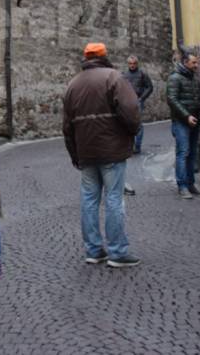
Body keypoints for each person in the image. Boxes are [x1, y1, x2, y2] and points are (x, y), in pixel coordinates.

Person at [62, 42, 141, 267]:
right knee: (114, 199)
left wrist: (74, 154)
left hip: (86, 152)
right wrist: (132, 132)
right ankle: (117, 252)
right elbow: (131, 110)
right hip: (112, 151)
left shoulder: (73, 84)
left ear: (85, 57)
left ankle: (94, 250)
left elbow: (67, 127)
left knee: (89, 200)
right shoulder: (113, 77)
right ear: (104, 56)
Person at [167, 51, 200, 199]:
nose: (196, 65)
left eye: (197, 62)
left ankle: (190, 183)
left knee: (192, 153)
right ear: (186, 62)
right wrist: (186, 116)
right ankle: (182, 185)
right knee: (183, 153)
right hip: (181, 121)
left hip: (195, 120)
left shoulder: (194, 77)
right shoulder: (175, 78)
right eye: (194, 62)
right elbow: (172, 99)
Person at [122, 55, 154, 154]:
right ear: (128, 64)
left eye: (134, 63)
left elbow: (149, 87)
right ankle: (129, 146)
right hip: (126, 103)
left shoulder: (142, 74)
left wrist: (141, 98)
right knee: (126, 124)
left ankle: (137, 146)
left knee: (138, 125)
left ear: (137, 63)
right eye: (130, 63)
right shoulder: (124, 75)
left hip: (138, 102)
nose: (132, 65)